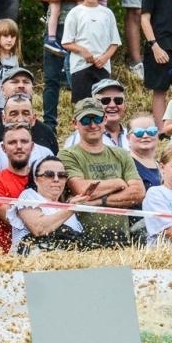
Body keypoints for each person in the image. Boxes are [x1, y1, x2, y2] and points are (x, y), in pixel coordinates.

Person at [58, 97, 145, 247]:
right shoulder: (67, 155)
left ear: (104, 119)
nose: (92, 125)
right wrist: (118, 183)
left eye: (97, 119)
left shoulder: (121, 154)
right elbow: (82, 190)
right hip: (82, 241)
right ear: (74, 123)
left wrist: (99, 201)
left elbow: (138, 193)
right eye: (86, 120)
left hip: (121, 239)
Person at [0, 122, 41, 253]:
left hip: (42, 253)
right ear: (3, 148)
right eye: (12, 142)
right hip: (7, 257)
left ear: (32, 146)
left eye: (24, 141)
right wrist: (41, 223)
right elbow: (12, 219)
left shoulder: (43, 177)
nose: (19, 146)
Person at [9, 155, 85, 253]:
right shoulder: (29, 196)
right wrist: (71, 208)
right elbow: (39, 229)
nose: (56, 179)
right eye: (49, 175)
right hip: (31, 264)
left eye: (62, 175)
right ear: (36, 179)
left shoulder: (68, 206)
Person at [125, 113, 163, 191]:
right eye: (139, 132)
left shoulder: (162, 165)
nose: (145, 136)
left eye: (151, 131)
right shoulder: (125, 163)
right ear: (128, 138)